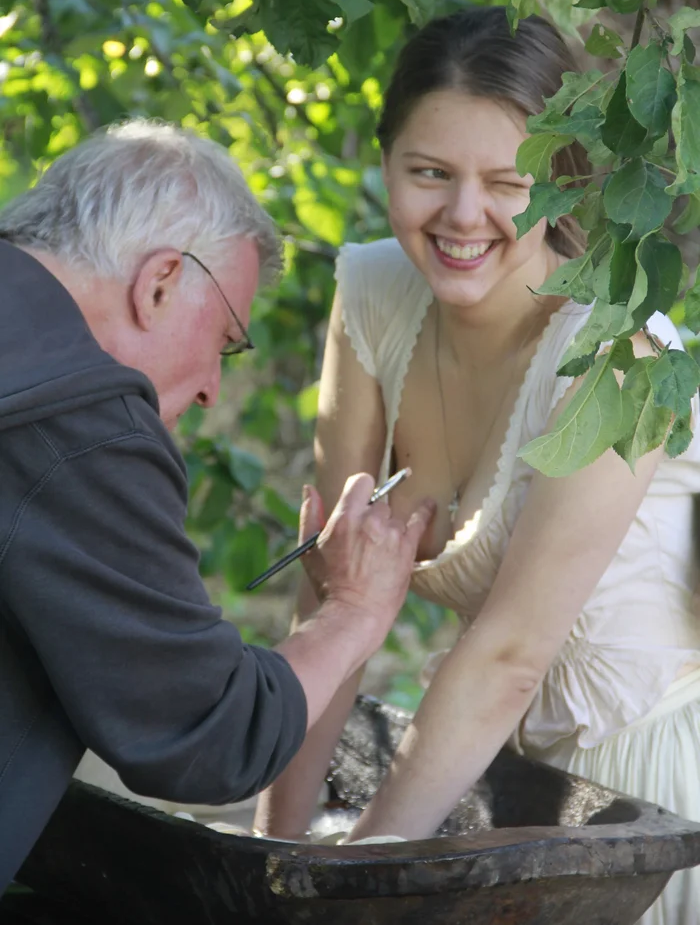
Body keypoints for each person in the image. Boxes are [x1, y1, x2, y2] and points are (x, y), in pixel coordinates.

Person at [254, 7, 700, 925]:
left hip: (652, 805)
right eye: (429, 173)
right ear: (385, 164)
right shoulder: (373, 294)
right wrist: (268, 861)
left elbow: (506, 657)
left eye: (508, 183)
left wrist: (348, 887)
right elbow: (326, 605)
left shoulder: (619, 357)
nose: (463, 216)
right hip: (514, 794)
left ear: (565, 190)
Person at [0, 120, 435, 893]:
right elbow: (208, 734)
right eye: (228, 341)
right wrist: (355, 613)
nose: (211, 388)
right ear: (160, 280)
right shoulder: (81, 419)